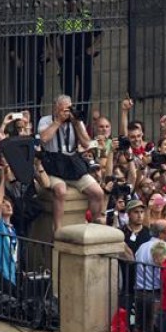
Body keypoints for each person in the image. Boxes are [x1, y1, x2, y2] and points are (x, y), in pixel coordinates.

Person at [37, 94, 105, 232]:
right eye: (64, 110)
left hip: (72, 164)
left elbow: (86, 143)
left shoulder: (76, 121)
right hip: (52, 164)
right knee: (60, 191)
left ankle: (96, 223)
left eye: (69, 109)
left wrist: (77, 124)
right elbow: (44, 138)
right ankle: (58, 228)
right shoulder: (45, 120)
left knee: (97, 192)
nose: (67, 113)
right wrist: (57, 122)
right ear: (56, 109)